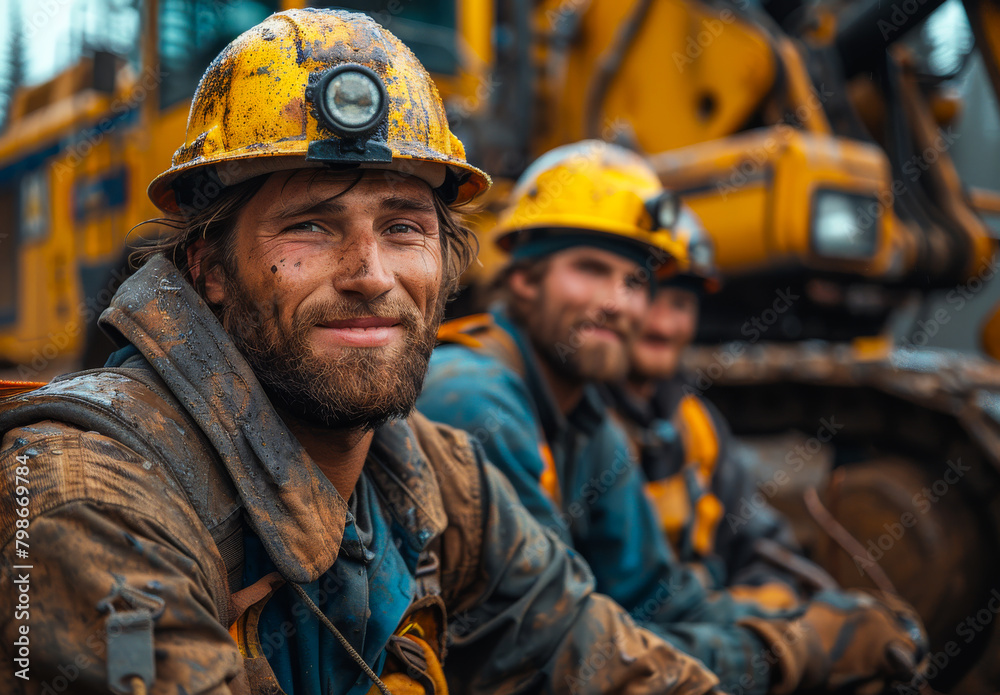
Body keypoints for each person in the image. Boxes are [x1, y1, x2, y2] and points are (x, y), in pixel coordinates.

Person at [0, 11, 724, 695]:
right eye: (311, 226)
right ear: (208, 267)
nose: (371, 275)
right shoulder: (86, 496)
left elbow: (607, 660)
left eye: (404, 227)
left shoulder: (434, 480)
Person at [417, 140, 928, 695]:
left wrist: (812, 621)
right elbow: (548, 653)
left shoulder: (587, 420)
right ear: (523, 279)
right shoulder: (472, 399)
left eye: (637, 282)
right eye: (590, 269)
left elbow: (657, 599)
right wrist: (790, 650)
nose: (618, 303)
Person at [601, 207, 837, 610]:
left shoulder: (697, 426)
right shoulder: (579, 422)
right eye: (651, 299)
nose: (663, 326)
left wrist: (769, 603)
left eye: (680, 305)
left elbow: (762, 543)